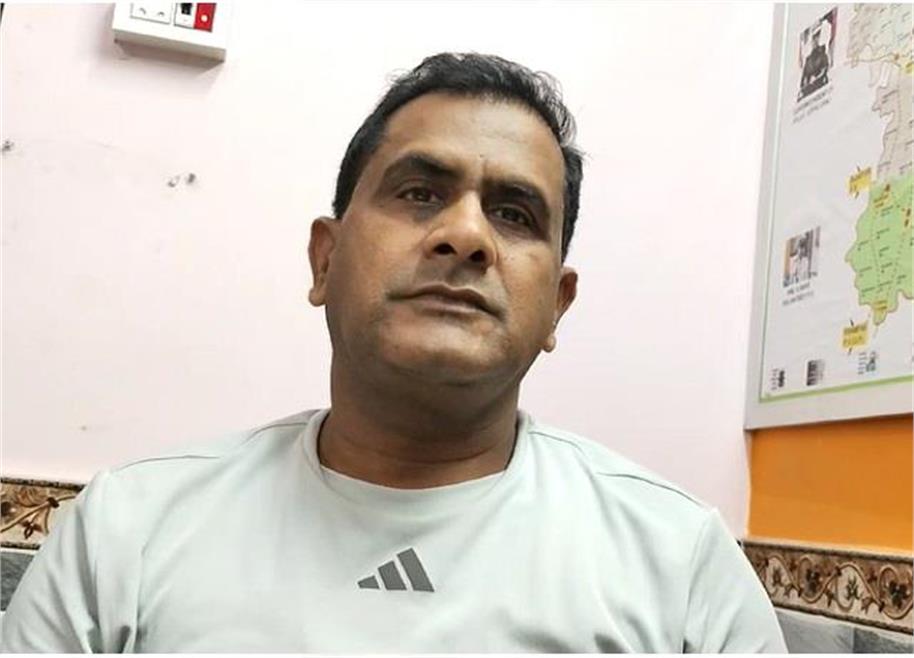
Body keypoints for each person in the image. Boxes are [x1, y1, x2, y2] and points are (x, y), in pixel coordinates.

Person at [1, 52, 786, 653]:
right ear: (325, 260)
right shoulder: (125, 535)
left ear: (558, 305)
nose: (466, 235)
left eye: (514, 214)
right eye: (419, 193)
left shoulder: (681, 567)